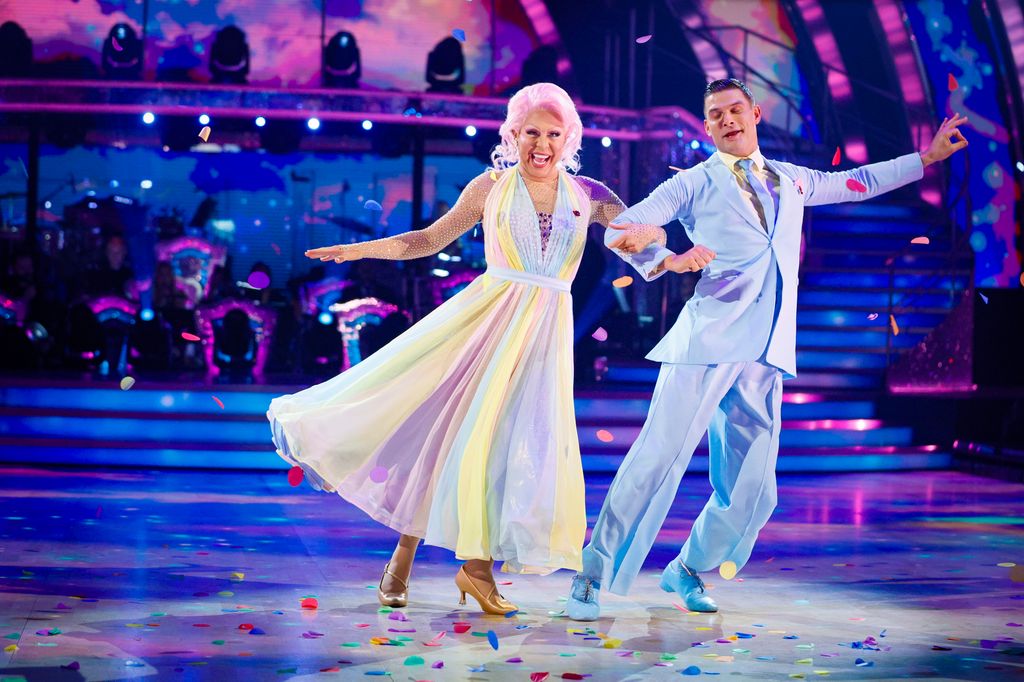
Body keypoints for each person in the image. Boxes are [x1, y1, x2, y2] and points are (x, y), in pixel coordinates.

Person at [565, 78, 969, 620]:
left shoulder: (792, 178)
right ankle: (591, 574)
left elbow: (858, 181)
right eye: (716, 114)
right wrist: (668, 260)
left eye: (735, 109)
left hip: (765, 350)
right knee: (657, 460)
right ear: (707, 126)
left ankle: (688, 567)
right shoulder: (693, 182)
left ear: (755, 113)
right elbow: (619, 229)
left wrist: (925, 159)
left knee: (755, 489)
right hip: (707, 340)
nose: (727, 119)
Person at [267, 83, 665, 615]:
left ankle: (472, 569)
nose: (542, 144)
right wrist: (359, 250)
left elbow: (641, 240)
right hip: (488, 328)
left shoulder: (589, 194)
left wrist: (671, 253)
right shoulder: (491, 186)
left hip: (544, 338)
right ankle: (422, 560)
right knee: (450, 440)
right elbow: (428, 240)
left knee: (506, 449)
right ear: (513, 134)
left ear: (569, 139)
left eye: (553, 134)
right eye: (531, 133)